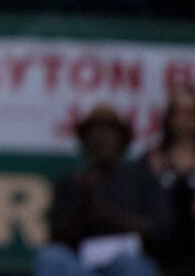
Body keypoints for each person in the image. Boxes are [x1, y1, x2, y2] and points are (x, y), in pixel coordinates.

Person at [36, 104, 172, 276]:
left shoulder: (143, 179)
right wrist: (81, 207)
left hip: (128, 262)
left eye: (108, 130)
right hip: (81, 265)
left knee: (133, 264)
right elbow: (56, 235)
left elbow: (163, 234)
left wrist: (108, 215)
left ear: (122, 139)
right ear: (84, 140)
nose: (100, 137)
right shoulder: (71, 182)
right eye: (94, 131)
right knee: (50, 257)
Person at [142, 86, 195, 276]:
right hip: (156, 256)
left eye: (190, 112)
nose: (183, 118)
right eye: (177, 112)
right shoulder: (150, 160)